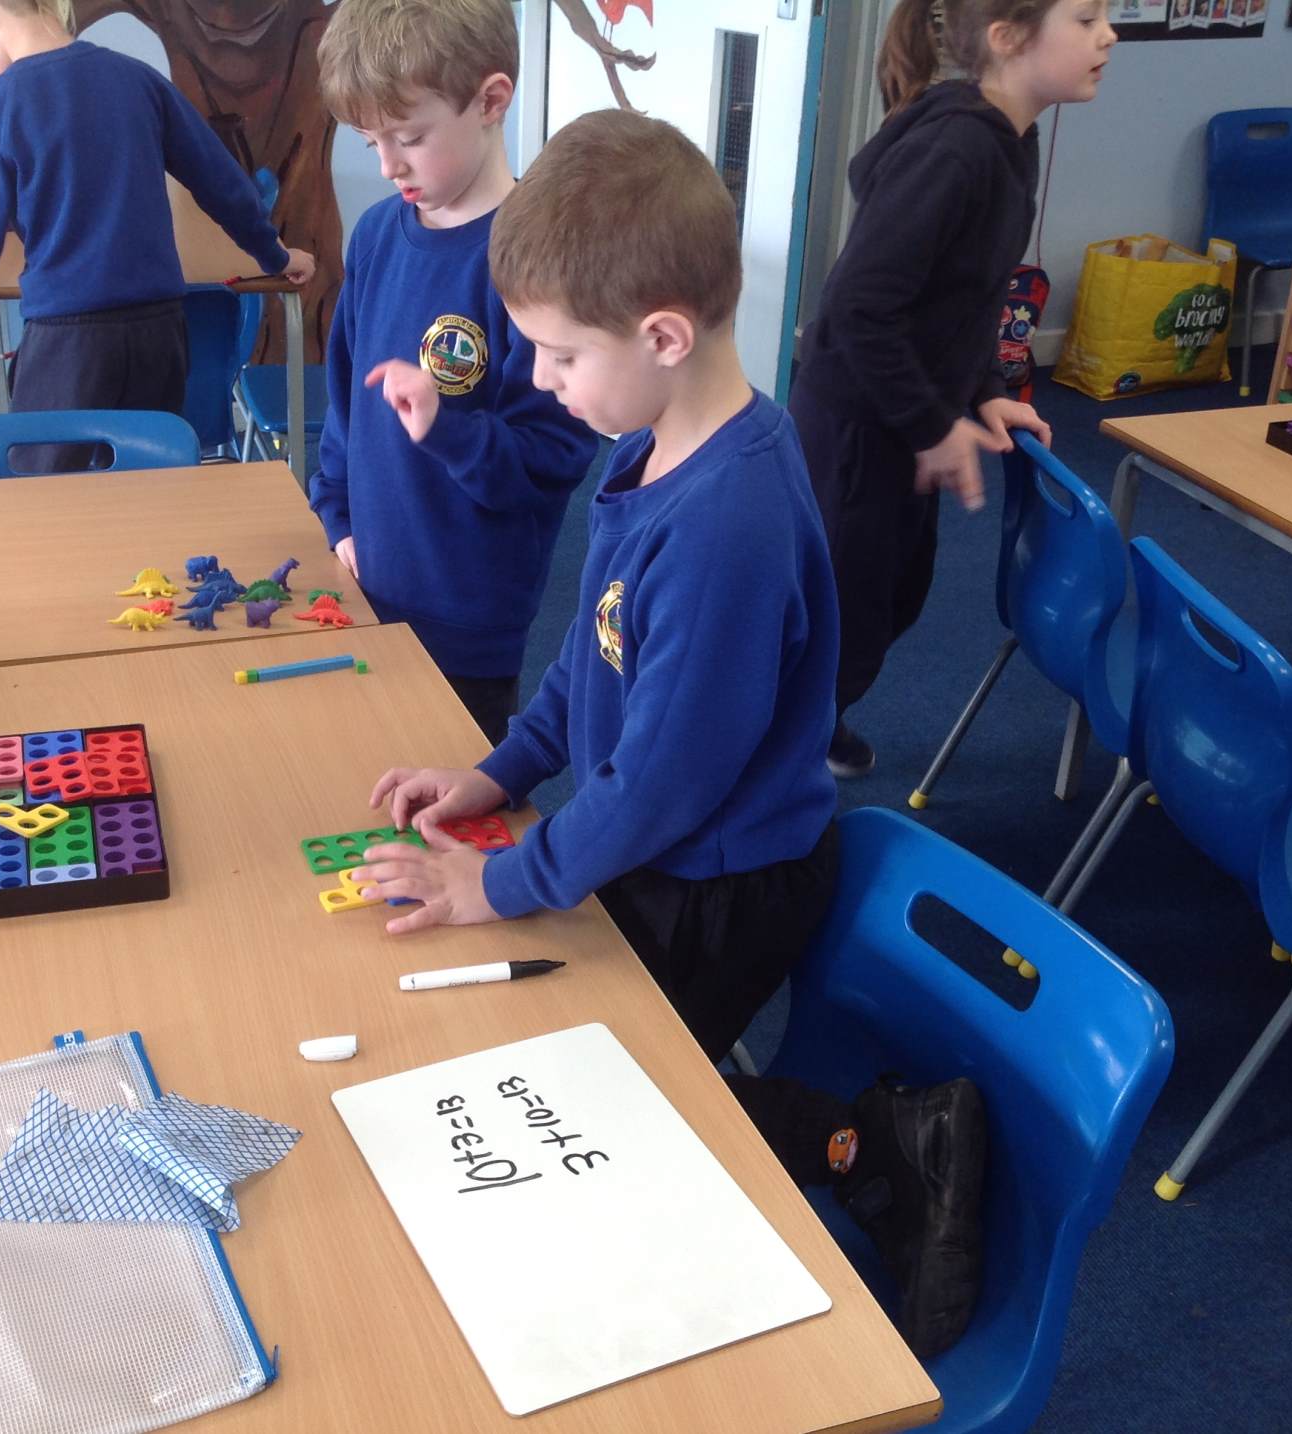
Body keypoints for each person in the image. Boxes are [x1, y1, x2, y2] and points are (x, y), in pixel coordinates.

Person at [349, 109, 985, 1358]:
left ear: (662, 336)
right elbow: (586, 665)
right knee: (552, 1050)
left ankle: (874, 1145)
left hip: (718, 883)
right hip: (658, 848)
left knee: (603, 1098)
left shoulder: (728, 525)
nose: (539, 381)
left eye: (559, 355)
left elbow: (658, 787)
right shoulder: (648, 446)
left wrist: (498, 885)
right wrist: (495, 771)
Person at [793, 0, 1115, 778]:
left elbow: (963, 293)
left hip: (908, 411)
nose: (1109, 34)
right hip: (860, 420)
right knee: (842, 610)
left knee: (897, 593)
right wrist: (933, 424)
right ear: (1007, 39)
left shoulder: (1012, 139)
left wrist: (985, 388)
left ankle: (811, 721)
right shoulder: (957, 151)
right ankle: (781, 756)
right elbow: (858, 308)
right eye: (1085, 18)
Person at [309, 0, 599, 745]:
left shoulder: (535, 261)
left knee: (455, 792)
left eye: (409, 137)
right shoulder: (376, 235)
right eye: (371, 140)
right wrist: (336, 512)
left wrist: (446, 429)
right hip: (366, 585)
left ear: (491, 101)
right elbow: (346, 399)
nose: (387, 165)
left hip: (468, 621)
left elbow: (553, 458)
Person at [0, 0, 315, 433]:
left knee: (42, 474)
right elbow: (223, 183)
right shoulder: (138, 79)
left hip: (68, 343)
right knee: (149, 467)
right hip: (159, 334)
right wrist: (274, 255)